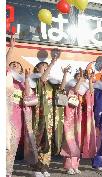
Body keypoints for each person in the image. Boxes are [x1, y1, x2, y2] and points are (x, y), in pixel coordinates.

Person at [6, 35, 38, 177]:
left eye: (17, 65)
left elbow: (30, 100)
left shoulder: (22, 83)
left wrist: (26, 78)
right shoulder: (6, 80)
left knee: (11, 147)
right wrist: (11, 48)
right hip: (6, 115)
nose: (15, 66)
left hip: (17, 118)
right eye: (12, 65)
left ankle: (7, 172)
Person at [30, 48, 65, 177]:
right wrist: (52, 62)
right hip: (40, 116)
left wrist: (65, 74)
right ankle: (37, 168)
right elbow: (43, 78)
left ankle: (45, 167)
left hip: (52, 117)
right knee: (39, 140)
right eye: (42, 66)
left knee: (48, 142)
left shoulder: (51, 83)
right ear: (37, 70)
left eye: (46, 66)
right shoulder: (38, 80)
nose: (45, 68)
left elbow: (61, 89)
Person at [60, 68, 90, 175]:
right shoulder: (71, 88)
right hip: (70, 117)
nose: (80, 79)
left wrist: (88, 80)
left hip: (79, 117)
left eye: (81, 77)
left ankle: (75, 164)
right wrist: (80, 81)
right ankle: (69, 166)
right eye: (77, 77)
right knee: (70, 141)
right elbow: (75, 90)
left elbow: (90, 92)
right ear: (74, 78)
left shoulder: (82, 91)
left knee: (78, 140)